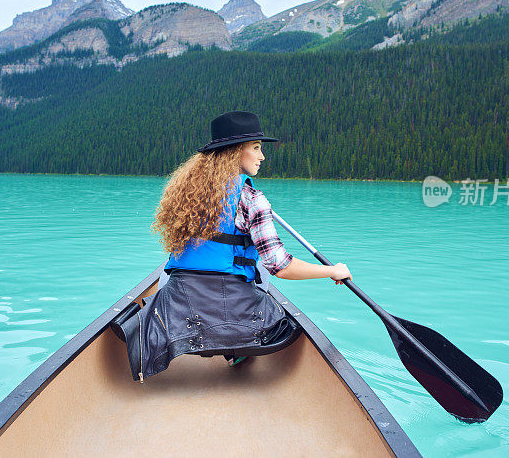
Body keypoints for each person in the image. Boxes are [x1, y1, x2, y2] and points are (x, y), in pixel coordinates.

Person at [119, 111, 351, 380]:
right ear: (234, 153)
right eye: (256, 148)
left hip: (180, 307)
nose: (262, 156)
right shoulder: (253, 198)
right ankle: (238, 348)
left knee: (168, 272)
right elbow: (280, 266)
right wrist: (332, 271)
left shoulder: (186, 193)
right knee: (259, 267)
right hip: (235, 310)